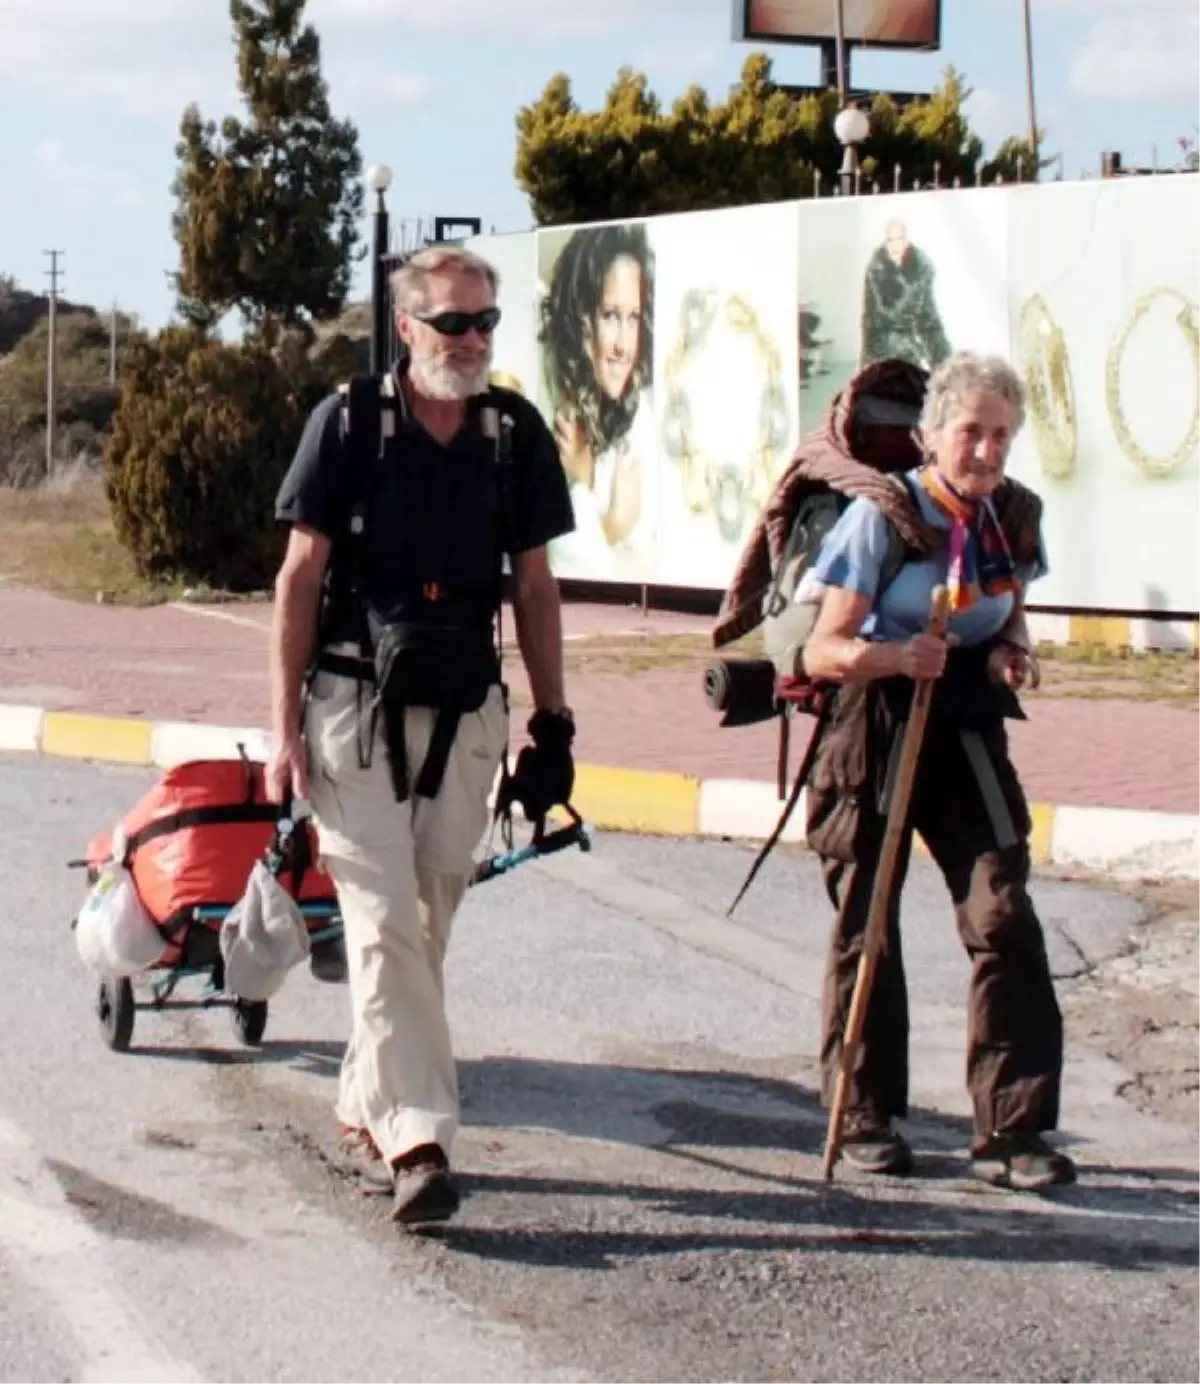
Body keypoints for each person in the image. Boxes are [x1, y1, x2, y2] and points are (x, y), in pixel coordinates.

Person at [267, 244, 577, 1226]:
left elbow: (533, 585)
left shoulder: (512, 435)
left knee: (427, 922)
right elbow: (298, 580)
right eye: (453, 322)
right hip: (353, 713)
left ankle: (369, 1094)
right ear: (407, 328)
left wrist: (553, 722)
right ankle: (421, 1137)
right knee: (388, 921)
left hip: (468, 715)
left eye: (486, 321)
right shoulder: (349, 423)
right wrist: (283, 727)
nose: (474, 339)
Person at [799, 349, 1077, 1192]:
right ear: (931, 436)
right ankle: (864, 1117)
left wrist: (1008, 655)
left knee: (1003, 909)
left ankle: (1011, 1132)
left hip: (964, 727)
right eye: (971, 433)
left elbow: (1009, 613)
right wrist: (890, 654)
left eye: (1001, 435)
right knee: (868, 920)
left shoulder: (1013, 517)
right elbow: (822, 649)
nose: (987, 452)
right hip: (876, 721)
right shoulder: (883, 517)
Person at [537, 222, 657, 578]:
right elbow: (570, 565)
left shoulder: (639, 414)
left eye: (633, 318)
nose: (624, 345)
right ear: (579, 319)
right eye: (610, 316)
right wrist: (610, 521)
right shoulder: (549, 406)